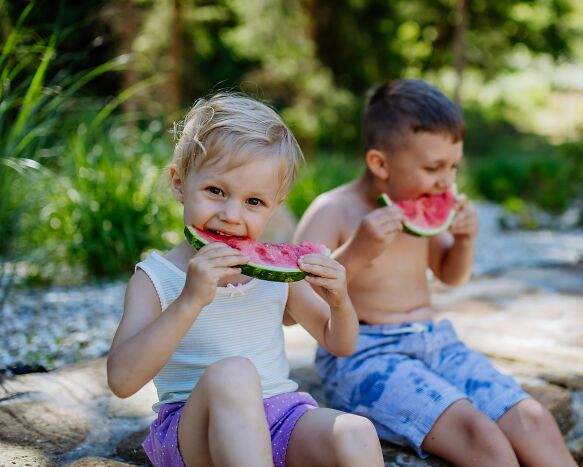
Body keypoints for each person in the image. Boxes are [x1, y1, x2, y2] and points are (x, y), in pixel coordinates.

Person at [294, 79, 577, 467]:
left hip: (435, 342)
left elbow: (449, 274)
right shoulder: (333, 211)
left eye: (453, 167)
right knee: (482, 438)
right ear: (379, 163)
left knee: (535, 420)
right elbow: (290, 306)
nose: (447, 181)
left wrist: (464, 241)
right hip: (363, 355)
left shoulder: (419, 201)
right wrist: (357, 252)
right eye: (433, 167)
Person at [107, 93, 384, 467]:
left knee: (357, 432)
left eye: (254, 201)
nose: (231, 215)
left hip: (280, 418)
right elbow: (122, 381)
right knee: (234, 373)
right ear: (178, 183)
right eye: (215, 191)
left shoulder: (277, 276)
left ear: (276, 204)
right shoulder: (155, 279)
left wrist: (340, 301)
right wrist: (189, 301)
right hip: (196, 430)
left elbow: (340, 343)